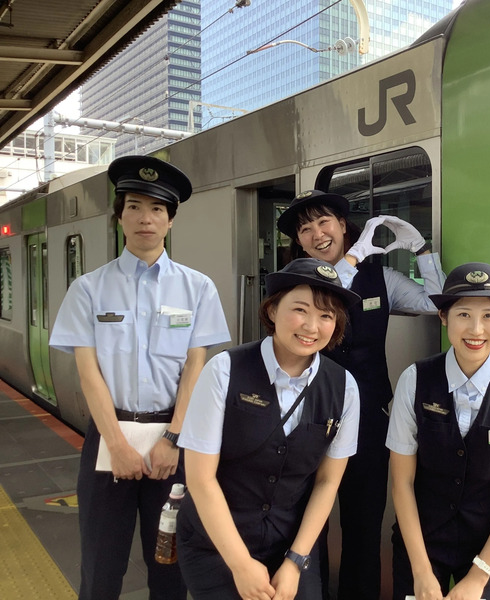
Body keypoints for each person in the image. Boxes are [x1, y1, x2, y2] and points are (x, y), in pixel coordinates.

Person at [49, 155, 231, 600]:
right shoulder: (88, 289)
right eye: (133, 206)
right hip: (109, 438)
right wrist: (115, 444)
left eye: (156, 209)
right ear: (120, 217)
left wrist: (173, 439)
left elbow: (195, 369)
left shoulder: (198, 287)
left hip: (172, 440)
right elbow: (88, 373)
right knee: (101, 563)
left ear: (170, 221)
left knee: (170, 562)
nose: (144, 218)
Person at [277, 189, 446, 600]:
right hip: (307, 417)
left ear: (342, 225)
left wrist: (423, 249)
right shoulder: (295, 284)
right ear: (298, 242)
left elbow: (438, 303)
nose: (317, 234)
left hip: (370, 419)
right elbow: (329, 299)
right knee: (303, 523)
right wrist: (351, 260)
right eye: (305, 228)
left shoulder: (381, 278)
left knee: (363, 523)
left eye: (324, 222)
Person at [176, 258, 362, 600]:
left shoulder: (344, 387)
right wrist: (240, 564)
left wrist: (294, 561)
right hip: (216, 546)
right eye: (300, 310)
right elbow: (201, 479)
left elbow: (327, 481)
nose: (311, 326)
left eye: (326, 315)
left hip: (292, 546)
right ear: (273, 310)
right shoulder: (224, 371)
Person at [386, 262, 490, 600]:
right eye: (463, 315)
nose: (476, 329)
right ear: (444, 318)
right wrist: (421, 571)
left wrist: (478, 577)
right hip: (421, 541)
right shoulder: (414, 381)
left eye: (489, 315)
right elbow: (401, 481)